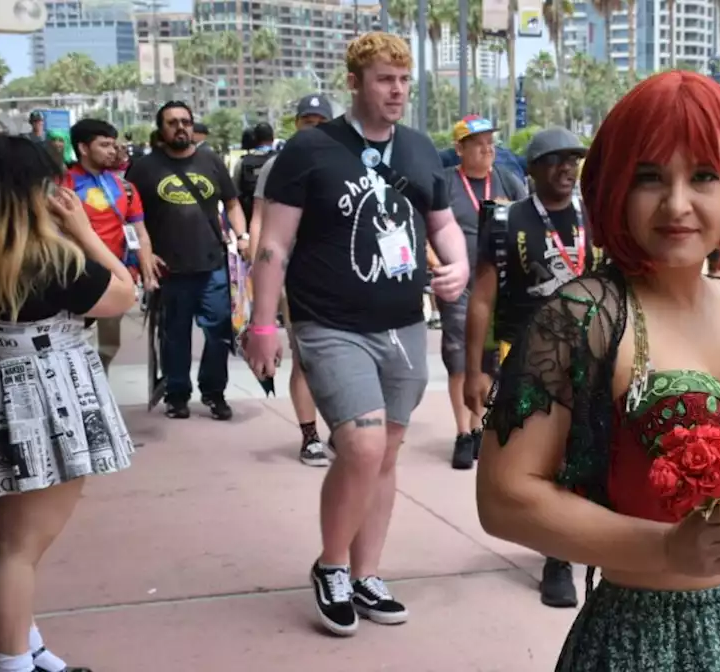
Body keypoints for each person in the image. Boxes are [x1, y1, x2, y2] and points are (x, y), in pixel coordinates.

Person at [476, 70, 720, 670]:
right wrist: (670, 547)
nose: (677, 204)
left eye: (704, 176)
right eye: (650, 177)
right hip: (646, 639)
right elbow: (505, 497)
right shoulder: (584, 315)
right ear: (615, 188)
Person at [244, 31, 469, 638]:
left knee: (387, 452)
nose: (396, 91)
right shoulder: (310, 150)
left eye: (403, 80)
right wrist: (262, 324)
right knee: (363, 447)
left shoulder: (421, 151)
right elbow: (273, 244)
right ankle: (332, 564)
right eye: (382, 79)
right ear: (355, 82)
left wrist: (459, 265)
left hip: (400, 324)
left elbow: (443, 225)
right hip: (329, 323)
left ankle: (368, 572)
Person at [0, 134, 137, 672]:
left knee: (2, 541)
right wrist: (86, 231)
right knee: (18, 548)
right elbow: (123, 292)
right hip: (47, 396)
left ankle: (27, 648)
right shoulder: (49, 257)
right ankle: (14, 663)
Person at [465, 127, 591, 608]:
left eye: (572, 160)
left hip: (593, 354)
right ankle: (557, 557)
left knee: (586, 453)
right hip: (527, 356)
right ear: (532, 169)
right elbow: (482, 298)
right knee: (543, 459)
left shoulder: (593, 217)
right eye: (555, 160)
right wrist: (477, 367)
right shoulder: (505, 220)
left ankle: (589, 539)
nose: (566, 169)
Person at [125, 101, 250, 420]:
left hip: (213, 265)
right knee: (174, 335)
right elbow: (128, 215)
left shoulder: (210, 160)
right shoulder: (144, 168)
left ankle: (214, 391)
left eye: (186, 121)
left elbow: (232, 202)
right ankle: (176, 394)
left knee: (220, 330)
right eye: (172, 122)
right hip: (170, 269)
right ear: (161, 129)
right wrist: (144, 255)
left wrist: (243, 236)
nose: (180, 127)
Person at [248, 94, 334, 467]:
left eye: (320, 121)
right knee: (306, 357)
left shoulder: (347, 160)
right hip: (295, 274)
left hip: (342, 274)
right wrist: (261, 272)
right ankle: (310, 435)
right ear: (296, 124)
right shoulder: (277, 166)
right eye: (306, 120)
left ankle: (343, 429)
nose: (313, 126)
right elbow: (258, 220)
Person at [442, 115, 527, 470]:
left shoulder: (507, 179)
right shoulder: (445, 184)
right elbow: (428, 227)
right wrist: (440, 265)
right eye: (478, 143)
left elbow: (529, 221)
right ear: (459, 148)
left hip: (499, 283)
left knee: (490, 356)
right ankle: (463, 433)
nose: (488, 148)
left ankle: (479, 426)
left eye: (491, 141)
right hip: (460, 284)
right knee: (460, 356)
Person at [64, 118, 157, 372]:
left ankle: (98, 386)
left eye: (113, 145)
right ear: (83, 148)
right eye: (104, 145)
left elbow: (139, 232)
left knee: (109, 345)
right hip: (74, 276)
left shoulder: (125, 187)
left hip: (114, 277)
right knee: (72, 343)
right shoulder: (63, 184)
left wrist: (147, 272)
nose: (112, 151)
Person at [234, 121, 277, 229]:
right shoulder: (281, 159)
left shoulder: (243, 162)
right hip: (276, 218)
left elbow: (235, 191)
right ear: (272, 138)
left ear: (255, 139)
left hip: (250, 217)